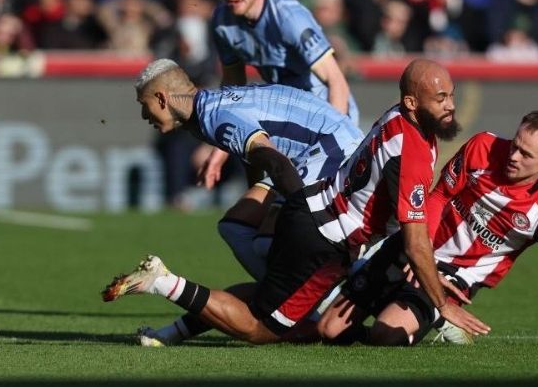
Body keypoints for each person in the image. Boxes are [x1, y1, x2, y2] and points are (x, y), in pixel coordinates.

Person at [101, 59, 491, 346]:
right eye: (441, 98)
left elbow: (272, 150)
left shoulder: (396, 120)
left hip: (319, 192)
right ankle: (167, 284)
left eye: (449, 96)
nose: (450, 105)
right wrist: (443, 308)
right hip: (324, 227)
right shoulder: (411, 150)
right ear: (410, 101)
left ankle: (175, 330)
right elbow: (275, 158)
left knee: (265, 271)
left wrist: (297, 205)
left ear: (163, 97)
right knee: (261, 328)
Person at [320, 110, 538, 347]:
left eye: (526, 154)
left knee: (386, 335)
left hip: (456, 274)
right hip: (420, 242)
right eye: (514, 144)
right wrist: (423, 251)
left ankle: (438, 315)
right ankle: (407, 302)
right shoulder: (482, 147)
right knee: (329, 330)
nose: (514, 156)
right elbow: (439, 196)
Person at [129, 58, 363, 282]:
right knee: (235, 226)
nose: (142, 115)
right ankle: (290, 303)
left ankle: (323, 295)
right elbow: (257, 157)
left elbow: (275, 161)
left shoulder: (214, 117)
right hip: (316, 149)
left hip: (333, 146)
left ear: (161, 99)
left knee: (273, 238)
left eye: (143, 104)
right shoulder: (207, 106)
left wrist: (302, 216)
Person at [199, 0, 360, 194]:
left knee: (311, 211)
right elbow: (233, 88)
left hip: (327, 114)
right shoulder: (222, 22)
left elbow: (335, 79)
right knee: (266, 196)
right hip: (287, 113)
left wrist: (333, 140)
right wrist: (219, 152)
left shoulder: (288, 17)